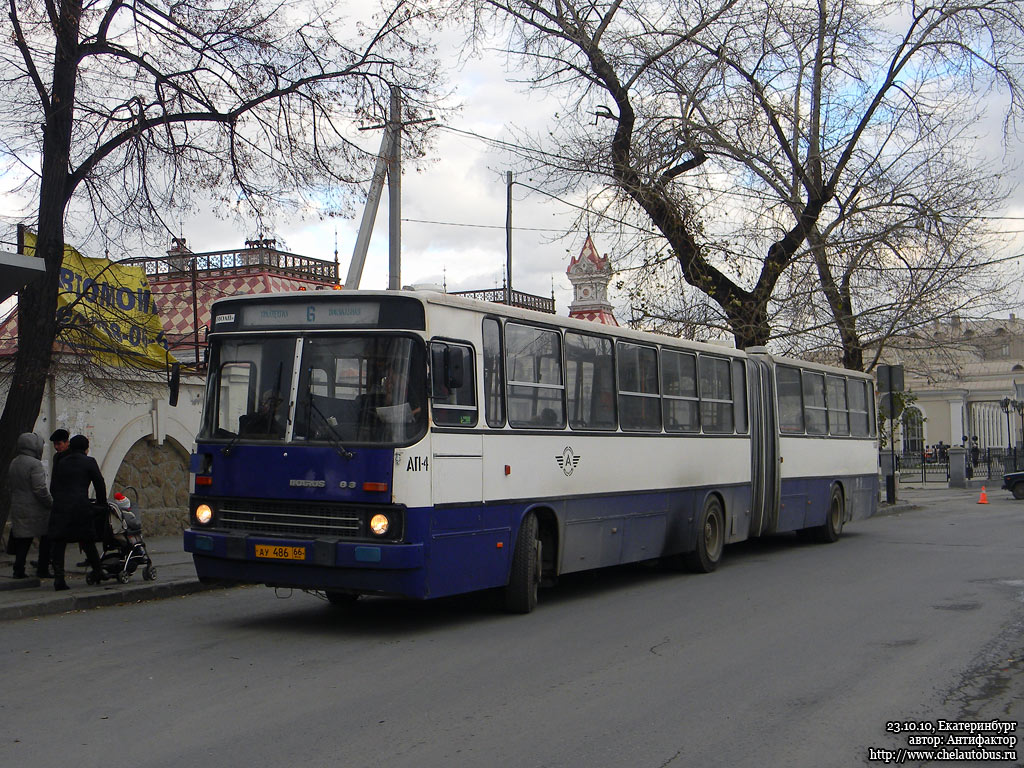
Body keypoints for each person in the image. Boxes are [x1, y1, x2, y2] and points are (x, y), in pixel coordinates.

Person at [48, 434, 108, 591]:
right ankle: (97, 571)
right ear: (86, 448)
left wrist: (59, 500)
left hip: (61, 507)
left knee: (59, 543)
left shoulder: (61, 462)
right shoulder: (89, 462)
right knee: (87, 540)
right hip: (80, 507)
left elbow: (53, 486)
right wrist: (101, 505)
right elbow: (99, 484)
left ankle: (59, 579)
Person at [7, 433, 53, 579]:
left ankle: (18, 569)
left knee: (23, 540)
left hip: (18, 505)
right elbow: (39, 489)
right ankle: (43, 568)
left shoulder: (14, 462)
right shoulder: (34, 464)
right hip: (36, 509)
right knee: (46, 537)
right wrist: (50, 503)